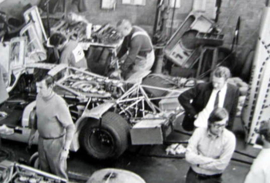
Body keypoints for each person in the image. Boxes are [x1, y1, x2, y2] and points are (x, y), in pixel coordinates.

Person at [28, 75, 75, 180]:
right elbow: (37, 114)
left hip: (56, 144)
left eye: (41, 87)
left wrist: (66, 149)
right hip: (42, 141)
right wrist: (32, 132)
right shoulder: (39, 96)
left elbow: (70, 127)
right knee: (44, 173)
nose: (37, 90)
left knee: (59, 174)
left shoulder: (59, 103)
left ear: (51, 87)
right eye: (37, 87)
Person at [178, 66, 239, 131]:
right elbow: (182, 97)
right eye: (214, 82)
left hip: (218, 128)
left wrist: (228, 129)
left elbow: (232, 112)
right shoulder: (202, 87)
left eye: (218, 83)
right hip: (201, 125)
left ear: (226, 81)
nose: (215, 85)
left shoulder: (233, 90)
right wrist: (194, 113)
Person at [185, 107, 236, 183]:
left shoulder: (230, 138)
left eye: (223, 125)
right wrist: (212, 161)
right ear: (210, 123)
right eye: (217, 125)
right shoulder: (199, 132)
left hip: (213, 179)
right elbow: (188, 156)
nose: (220, 129)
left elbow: (221, 165)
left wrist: (198, 162)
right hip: (193, 176)